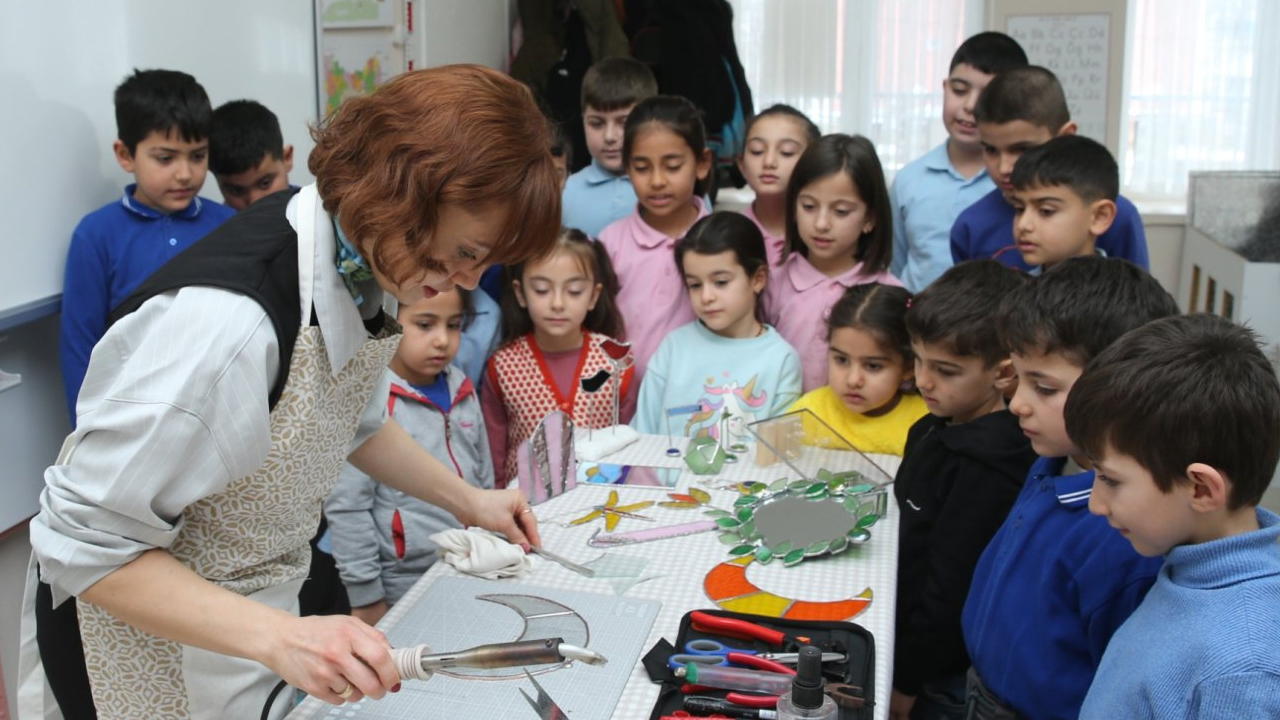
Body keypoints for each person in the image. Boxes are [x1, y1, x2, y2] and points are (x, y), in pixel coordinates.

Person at [23, 64, 560, 720]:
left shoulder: (366, 259)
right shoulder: (227, 328)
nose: (469, 282)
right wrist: (285, 637)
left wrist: (470, 501)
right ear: (403, 192)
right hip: (140, 640)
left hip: (250, 620)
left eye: (485, 264)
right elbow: (80, 546)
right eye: (465, 253)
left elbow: (348, 423)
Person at [961, 257, 1180, 720]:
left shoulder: (1127, 532)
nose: (1017, 403)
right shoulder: (1050, 457)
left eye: (1043, 387)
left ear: (1118, 386)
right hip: (983, 687)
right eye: (1017, 378)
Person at [1066, 314, 1280, 720]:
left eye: (1110, 479)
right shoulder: (1189, 574)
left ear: (1201, 489)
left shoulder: (1244, 669)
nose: (1096, 503)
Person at [891, 260, 1036, 720]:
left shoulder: (987, 469)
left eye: (946, 370)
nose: (922, 379)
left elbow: (948, 592)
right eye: (917, 359)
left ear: (1003, 372)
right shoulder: (933, 425)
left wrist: (907, 682)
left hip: (937, 678)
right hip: (903, 634)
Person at [59, 69, 235, 423]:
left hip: (218, 418)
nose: (185, 173)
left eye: (198, 156)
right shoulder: (96, 235)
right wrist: (87, 433)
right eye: (165, 158)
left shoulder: (230, 226)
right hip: (130, 421)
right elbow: (80, 346)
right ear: (126, 155)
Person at [326, 288, 494, 628]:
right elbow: (348, 507)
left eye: (454, 325)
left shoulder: (461, 387)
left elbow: (484, 479)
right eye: (425, 324)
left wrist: (493, 544)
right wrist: (366, 596)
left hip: (471, 564)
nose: (442, 340)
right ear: (389, 318)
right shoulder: (371, 399)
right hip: (400, 578)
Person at [631, 213, 801, 462]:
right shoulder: (674, 347)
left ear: (757, 278)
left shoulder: (781, 360)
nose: (706, 296)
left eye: (720, 282)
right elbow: (642, 435)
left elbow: (778, 457)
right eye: (695, 285)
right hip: (662, 494)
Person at [949, 66, 1149, 272]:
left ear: (1065, 136)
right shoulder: (970, 227)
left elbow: (1136, 296)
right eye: (991, 150)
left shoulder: (1116, 215)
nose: (1004, 167)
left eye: (1022, 149)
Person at [483, 228, 635, 487]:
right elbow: (494, 452)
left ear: (593, 296)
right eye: (542, 290)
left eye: (574, 291)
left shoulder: (617, 363)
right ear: (520, 293)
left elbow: (630, 444)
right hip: (524, 506)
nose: (557, 303)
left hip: (599, 502)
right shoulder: (503, 366)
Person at [890, 32, 1027, 292]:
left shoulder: (1015, 183)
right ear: (945, 88)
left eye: (988, 95)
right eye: (959, 90)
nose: (971, 106)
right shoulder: (910, 179)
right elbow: (896, 268)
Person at [768, 134, 901, 393]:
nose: (821, 224)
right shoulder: (773, 283)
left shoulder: (890, 293)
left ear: (870, 218)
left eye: (840, 211)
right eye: (808, 206)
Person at [598, 95, 712, 381]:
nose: (657, 180)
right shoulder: (611, 242)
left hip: (699, 399)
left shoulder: (720, 241)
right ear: (626, 168)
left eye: (672, 166)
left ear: (702, 163)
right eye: (642, 167)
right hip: (623, 402)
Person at [786, 283, 927, 456]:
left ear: (908, 367)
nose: (853, 380)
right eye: (841, 360)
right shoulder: (807, 413)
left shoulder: (924, 424)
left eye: (873, 366)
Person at [561, 57, 659, 238]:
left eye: (624, 123)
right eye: (597, 124)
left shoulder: (669, 189)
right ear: (583, 119)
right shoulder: (564, 193)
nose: (610, 137)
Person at [1008, 135, 1119, 271]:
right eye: (1019, 209)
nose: (1023, 225)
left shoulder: (1126, 291)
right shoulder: (1017, 290)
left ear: (1099, 217)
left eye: (1046, 211)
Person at [734, 104, 821, 266]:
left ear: (813, 163)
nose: (769, 162)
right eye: (757, 151)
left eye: (786, 152)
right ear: (742, 165)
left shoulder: (824, 233)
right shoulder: (729, 234)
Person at [208, 99, 295, 211]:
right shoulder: (216, 227)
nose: (255, 202)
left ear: (287, 158)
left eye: (265, 183)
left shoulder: (318, 215)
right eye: (237, 191)